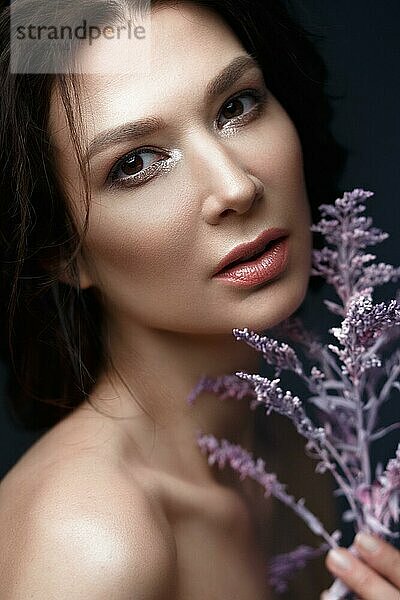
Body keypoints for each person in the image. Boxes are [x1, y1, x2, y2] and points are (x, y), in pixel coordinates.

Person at [0, 0, 399, 598]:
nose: (236, 186)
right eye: (136, 164)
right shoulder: (89, 542)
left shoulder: (284, 454)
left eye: (236, 106)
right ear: (62, 251)